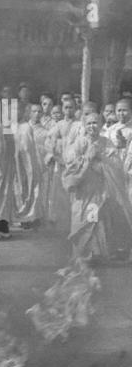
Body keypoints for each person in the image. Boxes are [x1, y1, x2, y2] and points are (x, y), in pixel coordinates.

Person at [63, 112, 132, 262]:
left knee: (95, 218)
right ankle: (83, 252)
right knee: (82, 218)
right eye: (89, 123)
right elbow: (71, 164)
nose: (92, 126)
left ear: (101, 125)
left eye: (95, 123)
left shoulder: (107, 142)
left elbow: (116, 165)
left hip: (99, 190)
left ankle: (95, 252)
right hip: (83, 189)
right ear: (84, 125)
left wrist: (101, 160)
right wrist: (87, 159)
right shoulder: (79, 142)